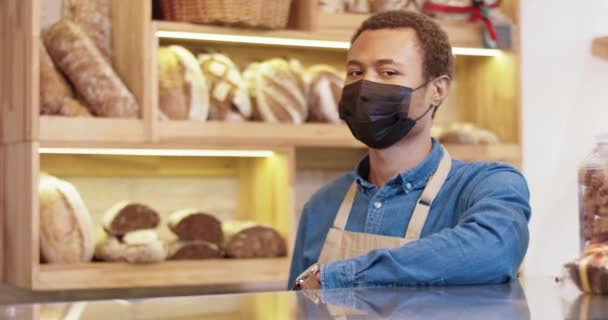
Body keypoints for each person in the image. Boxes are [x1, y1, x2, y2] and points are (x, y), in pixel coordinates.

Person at [289, 10, 530, 290]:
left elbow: (494, 249)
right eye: (355, 72)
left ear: (437, 90)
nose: (365, 86)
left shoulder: (485, 185)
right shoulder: (322, 204)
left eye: (387, 72)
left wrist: (337, 276)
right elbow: (298, 308)